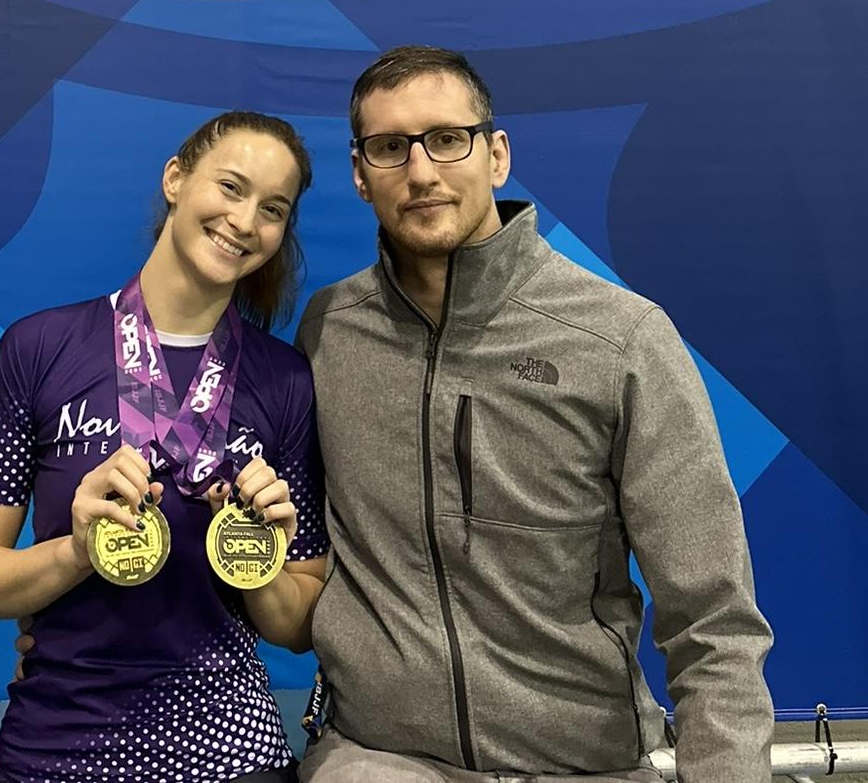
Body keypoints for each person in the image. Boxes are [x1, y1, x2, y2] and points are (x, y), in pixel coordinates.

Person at [295, 47, 773, 783]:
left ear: (496, 154)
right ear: (361, 175)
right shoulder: (329, 330)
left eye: (447, 139)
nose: (421, 172)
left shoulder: (620, 338)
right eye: (390, 148)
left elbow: (713, 617)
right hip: (378, 758)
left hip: (583, 766)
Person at [0, 111, 328, 783]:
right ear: (176, 178)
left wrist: (260, 559)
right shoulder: (38, 350)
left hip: (232, 745)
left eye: (273, 209)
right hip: (59, 742)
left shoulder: (286, 380)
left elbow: (296, 627)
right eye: (230, 187)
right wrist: (76, 552)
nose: (244, 221)